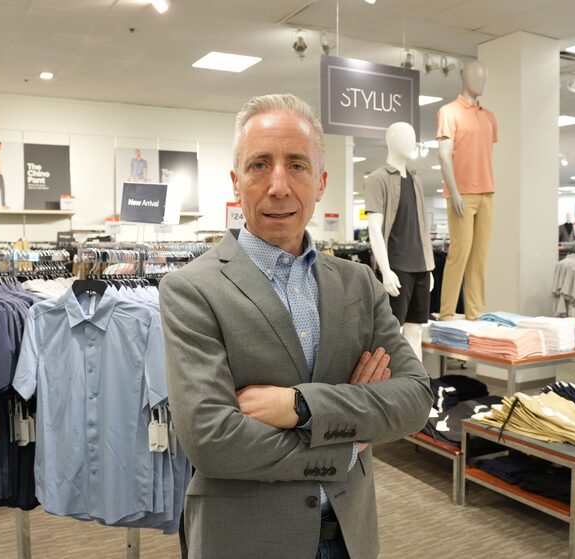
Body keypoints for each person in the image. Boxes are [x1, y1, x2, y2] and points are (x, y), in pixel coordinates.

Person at [159, 94, 432, 559]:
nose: (279, 185)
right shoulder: (191, 289)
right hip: (246, 541)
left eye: (297, 165)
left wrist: (300, 406)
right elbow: (211, 440)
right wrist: (351, 439)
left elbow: (415, 399)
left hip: (351, 536)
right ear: (236, 181)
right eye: (260, 165)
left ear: (321, 181)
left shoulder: (359, 283)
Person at [365, 121, 435, 360]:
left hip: (421, 267)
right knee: (395, 332)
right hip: (397, 267)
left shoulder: (416, 179)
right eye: (406, 136)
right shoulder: (377, 178)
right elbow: (374, 228)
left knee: (416, 330)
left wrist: (429, 265)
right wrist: (385, 270)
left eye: (413, 136)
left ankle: (418, 385)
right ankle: (398, 386)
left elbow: (421, 225)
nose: (411, 142)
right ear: (391, 140)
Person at [437, 60, 497, 321]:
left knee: (480, 257)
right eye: (475, 75)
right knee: (459, 254)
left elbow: (485, 154)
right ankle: (447, 311)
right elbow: (444, 155)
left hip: (487, 192)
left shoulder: (489, 117)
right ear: (463, 76)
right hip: (462, 193)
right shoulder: (449, 112)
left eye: (484, 76)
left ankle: (475, 312)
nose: (480, 80)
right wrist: (454, 191)